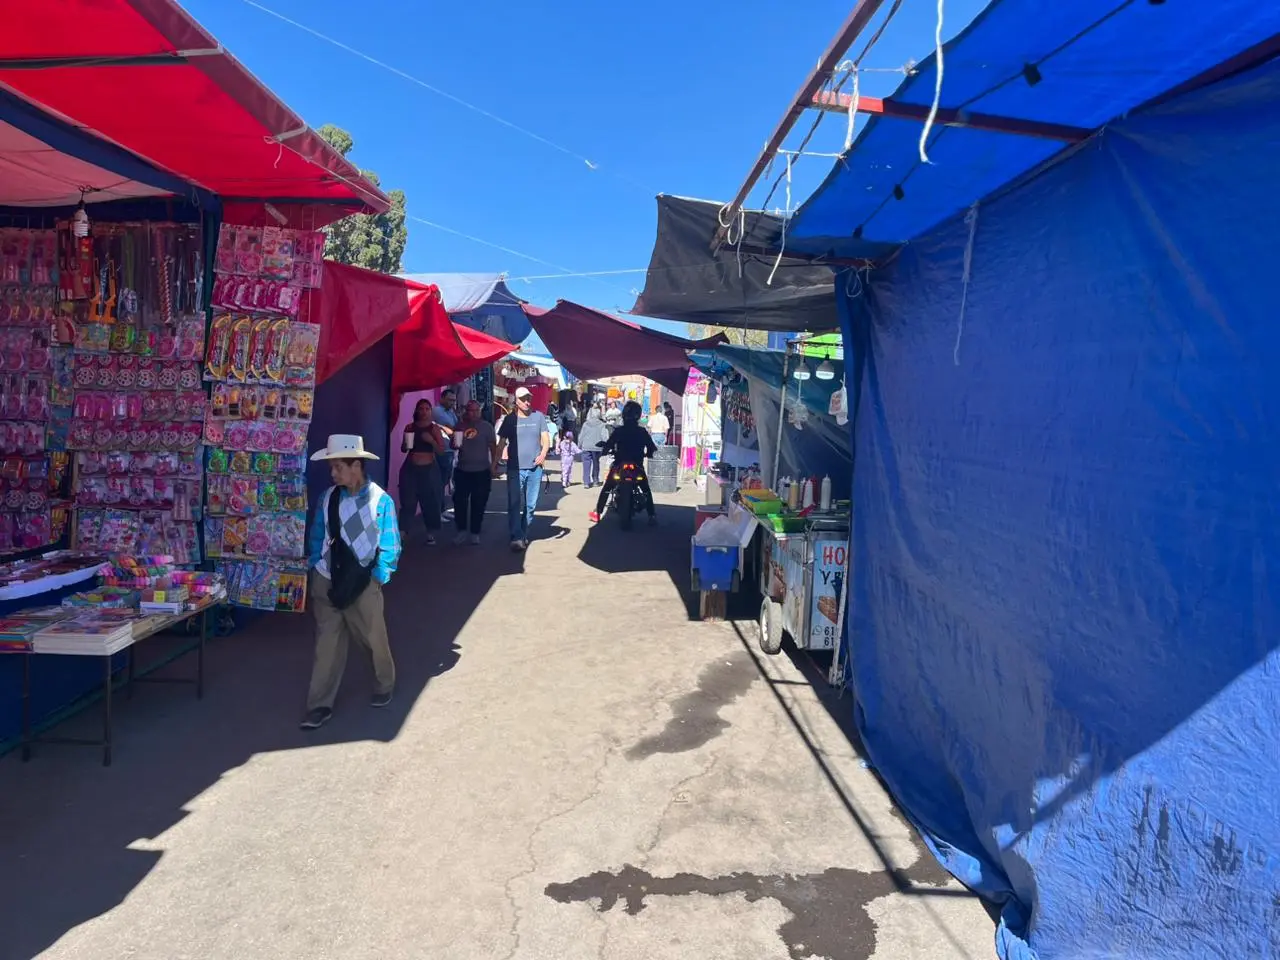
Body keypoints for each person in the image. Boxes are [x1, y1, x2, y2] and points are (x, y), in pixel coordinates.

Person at [302, 434, 402, 730]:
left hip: (362, 583)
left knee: (372, 638)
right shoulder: (328, 497)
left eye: (338, 467)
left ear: (356, 465)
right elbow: (318, 534)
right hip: (327, 579)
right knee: (327, 645)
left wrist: (379, 577)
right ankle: (318, 705)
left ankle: (385, 682)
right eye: (332, 467)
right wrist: (314, 566)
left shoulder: (380, 500)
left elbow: (390, 543)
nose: (333, 474)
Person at [496, 385, 550, 552]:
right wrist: (494, 463)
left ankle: (523, 532)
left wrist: (543, 454)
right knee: (514, 503)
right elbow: (501, 443)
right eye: (523, 399)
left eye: (528, 398)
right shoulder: (510, 420)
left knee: (531, 505)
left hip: (535, 468)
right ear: (516, 401)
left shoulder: (538, 417)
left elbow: (546, 439)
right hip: (515, 468)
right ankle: (517, 536)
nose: (527, 402)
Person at [589, 400, 657, 525]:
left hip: (619, 464)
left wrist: (604, 450)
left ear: (624, 415)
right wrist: (649, 453)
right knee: (646, 489)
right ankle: (651, 516)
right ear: (638, 415)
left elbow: (608, 444)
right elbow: (652, 447)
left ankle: (598, 513)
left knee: (607, 487)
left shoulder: (619, 431)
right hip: (637, 465)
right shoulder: (642, 432)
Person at [450, 399, 499, 545]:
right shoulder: (460, 426)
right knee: (459, 502)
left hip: (481, 471)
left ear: (480, 411)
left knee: (479, 502)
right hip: (463, 470)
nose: (473, 413)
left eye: (476, 410)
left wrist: (494, 466)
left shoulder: (487, 427)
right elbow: (453, 445)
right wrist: (454, 442)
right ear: (466, 411)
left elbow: (493, 447)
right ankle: (461, 531)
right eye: (470, 410)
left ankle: (475, 532)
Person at [400, 399, 447, 545]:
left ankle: (430, 532)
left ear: (431, 411)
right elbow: (403, 449)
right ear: (417, 410)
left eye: (427, 409)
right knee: (408, 501)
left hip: (429, 469)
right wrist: (406, 443)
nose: (424, 411)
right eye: (422, 408)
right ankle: (402, 532)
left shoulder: (434, 429)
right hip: (411, 468)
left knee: (430, 501)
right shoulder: (410, 427)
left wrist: (431, 441)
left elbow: (441, 451)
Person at [433, 388, 459, 504]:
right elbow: (452, 428)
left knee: (445, 480)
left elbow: (457, 427)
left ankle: (441, 509)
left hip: (450, 450)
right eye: (449, 400)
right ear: (442, 398)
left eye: (454, 401)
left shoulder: (450, 412)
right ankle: (438, 511)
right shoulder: (438, 411)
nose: (452, 403)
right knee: (440, 481)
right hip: (442, 451)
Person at [578, 403, 609, 488]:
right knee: (596, 464)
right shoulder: (602, 425)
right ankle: (595, 481)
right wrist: (605, 445)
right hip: (597, 447)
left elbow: (581, 435)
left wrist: (579, 445)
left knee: (586, 464)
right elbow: (604, 437)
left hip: (586, 446)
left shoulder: (586, 424)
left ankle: (586, 482)